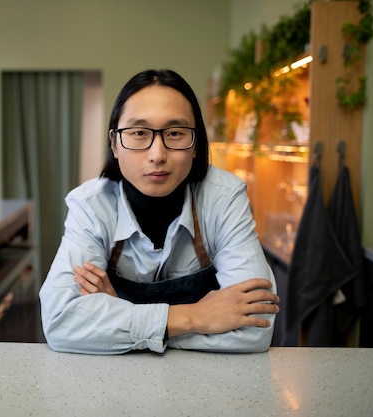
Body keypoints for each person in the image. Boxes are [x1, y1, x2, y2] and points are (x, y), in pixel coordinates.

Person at [39, 69, 280, 355]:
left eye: (175, 133)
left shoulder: (224, 199)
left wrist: (118, 321)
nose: (157, 154)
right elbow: (61, 322)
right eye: (139, 133)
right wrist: (194, 318)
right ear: (114, 144)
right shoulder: (91, 206)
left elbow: (255, 329)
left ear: (196, 145)